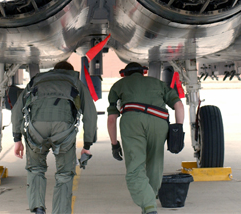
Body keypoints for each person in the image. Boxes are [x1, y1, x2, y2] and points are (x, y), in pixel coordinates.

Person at [12, 61, 97, 214]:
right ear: (70, 71)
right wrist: (87, 145)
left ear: (54, 70)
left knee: (36, 169)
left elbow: (17, 109)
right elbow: (90, 114)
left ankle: (38, 208)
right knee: (64, 174)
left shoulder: (37, 80)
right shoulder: (75, 82)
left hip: (36, 129)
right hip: (63, 130)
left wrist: (17, 138)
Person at [107, 62, 185, 214]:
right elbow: (179, 105)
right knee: (155, 164)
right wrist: (178, 128)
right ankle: (151, 199)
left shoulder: (118, 85)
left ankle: (149, 206)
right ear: (143, 72)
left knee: (135, 169)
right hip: (159, 121)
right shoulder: (158, 83)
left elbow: (112, 119)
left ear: (124, 74)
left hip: (132, 123)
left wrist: (114, 144)